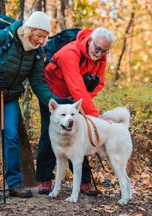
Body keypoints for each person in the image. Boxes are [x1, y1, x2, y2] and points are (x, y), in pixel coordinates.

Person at [0, 11, 70, 202]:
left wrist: (56, 102)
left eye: (44, 37)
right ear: (28, 30)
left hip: (9, 96)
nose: (41, 40)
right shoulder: (3, 38)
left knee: (11, 137)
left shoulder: (37, 52)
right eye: (38, 36)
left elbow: (38, 82)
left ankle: (14, 185)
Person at [36, 27, 116, 195]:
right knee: (49, 132)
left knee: (79, 134)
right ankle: (45, 179)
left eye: (105, 50)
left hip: (75, 97)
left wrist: (83, 100)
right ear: (90, 41)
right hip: (54, 94)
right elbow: (76, 86)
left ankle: (83, 182)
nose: (100, 53)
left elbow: (99, 83)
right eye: (98, 48)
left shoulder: (101, 56)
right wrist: (95, 116)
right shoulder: (70, 53)